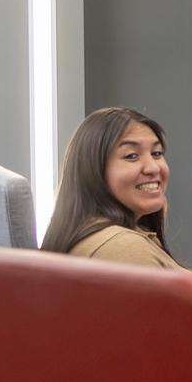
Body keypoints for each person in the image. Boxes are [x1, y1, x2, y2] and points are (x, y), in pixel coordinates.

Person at [41, 106, 181, 268]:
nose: (153, 168)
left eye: (156, 153)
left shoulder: (101, 236)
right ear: (92, 170)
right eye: (131, 156)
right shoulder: (125, 248)